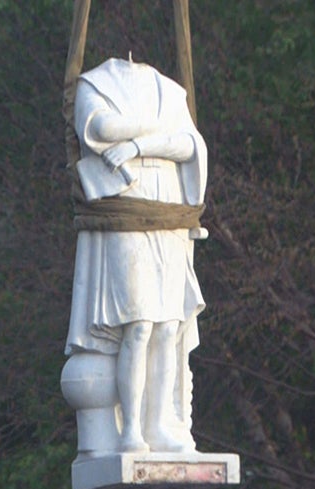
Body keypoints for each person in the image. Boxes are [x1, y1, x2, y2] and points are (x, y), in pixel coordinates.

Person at [64, 58, 207, 453]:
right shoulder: (94, 84)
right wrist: (162, 132)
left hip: (168, 210)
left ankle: (158, 424)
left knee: (167, 326)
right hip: (124, 208)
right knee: (139, 322)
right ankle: (131, 431)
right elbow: (100, 129)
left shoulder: (168, 89)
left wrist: (137, 144)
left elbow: (189, 144)